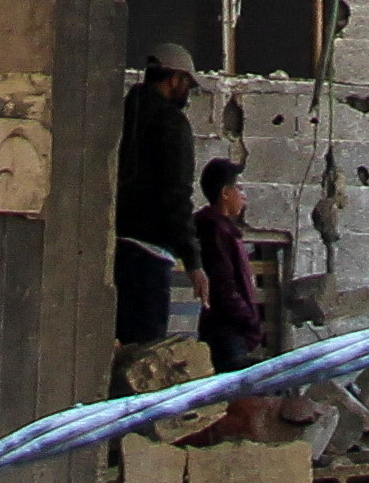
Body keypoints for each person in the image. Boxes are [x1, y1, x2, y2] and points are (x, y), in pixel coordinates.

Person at [112, 40, 201, 345]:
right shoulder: (171, 123)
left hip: (115, 247)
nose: (187, 92)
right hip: (149, 256)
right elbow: (176, 195)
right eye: (187, 83)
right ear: (174, 79)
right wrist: (194, 262)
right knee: (143, 354)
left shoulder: (124, 113)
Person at [192, 156, 268, 371]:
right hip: (225, 331)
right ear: (225, 193)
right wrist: (250, 320)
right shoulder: (215, 230)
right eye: (240, 189)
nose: (244, 197)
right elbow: (223, 287)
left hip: (229, 330)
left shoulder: (224, 230)